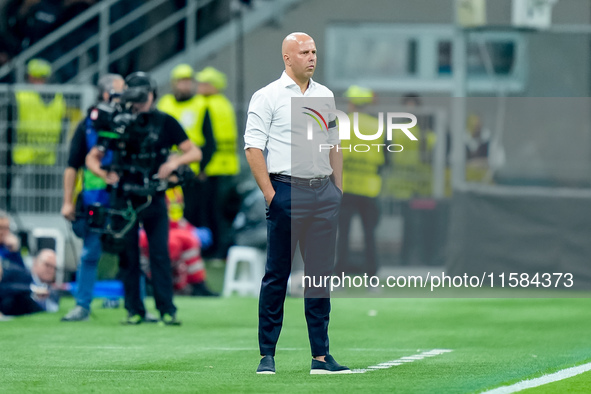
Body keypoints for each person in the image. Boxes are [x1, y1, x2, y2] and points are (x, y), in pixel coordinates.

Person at [244, 32, 350, 375]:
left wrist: (338, 190)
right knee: (277, 275)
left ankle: (320, 357)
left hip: (323, 194)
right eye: (304, 52)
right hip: (286, 192)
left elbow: (334, 143)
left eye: (314, 51)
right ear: (287, 58)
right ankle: (267, 356)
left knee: (320, 277)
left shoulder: (325, 95)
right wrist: (271, 196)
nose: (312, 57)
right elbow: (253, 148)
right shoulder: (267, 96)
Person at [86, 71, 202, 325]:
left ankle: (166, 309)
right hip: (124, 196)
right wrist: (105, 175)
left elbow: (194, 152)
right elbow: (92, 157)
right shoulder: (117, 121)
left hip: (153, 195)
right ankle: (134, 310)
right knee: (127, 255)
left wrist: (173, 163)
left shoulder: (164, 122)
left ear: (153, 96)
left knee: (160, 253)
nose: (140, 103)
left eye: (144, 96)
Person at [60, 74, 125, 322]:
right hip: (94, 198)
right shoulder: (88, 123)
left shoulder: (130, 122)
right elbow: (72, 165)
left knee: (131, 253)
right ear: (105, 93)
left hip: (124, 197)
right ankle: (82, 305)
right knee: (90, 253)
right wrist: (67, 201)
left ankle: (137, 307)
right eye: (118, 92)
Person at [157, 64, 216, 234]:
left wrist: (203, 168)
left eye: (188, 81)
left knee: (193, 212)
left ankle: (191, 249)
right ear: (174, 83)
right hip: (167, 169)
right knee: (169, 209)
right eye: (181, 81)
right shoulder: (165, 104)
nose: (185, 85)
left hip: (192, 170)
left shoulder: (201, 104)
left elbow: (209, 140)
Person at [335, 86, 384, 279]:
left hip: (345, 188)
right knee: (370, 236)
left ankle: (339, 277)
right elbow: (386, 159)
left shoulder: (340, 124)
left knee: (343, 236)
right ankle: (372, 278)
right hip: (370, 189)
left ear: (352, 103)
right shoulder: (378, 127)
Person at [194, 66, 240, 258]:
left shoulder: (207, 105)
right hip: (228, 165)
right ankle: (223, 250)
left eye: (205, 83)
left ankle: (214, 250)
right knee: (224, 212)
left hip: (213, 166)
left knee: (212, 212)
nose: (200, 86)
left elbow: (208, 139)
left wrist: (202, 167)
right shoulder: (224, 104)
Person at [12, 58, 66, 213]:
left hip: (40, 158)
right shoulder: (58, 97)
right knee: (28, 203)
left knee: (36, 204)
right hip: (30, 158)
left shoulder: (21, 96)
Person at [0, 248, 59, 316]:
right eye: (47, 265)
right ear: (35, 262)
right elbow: (5, 288)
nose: (50, 270)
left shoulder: (52, 290)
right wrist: (32, 290)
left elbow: (53, 306)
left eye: (54, 268)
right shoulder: (20, 275)